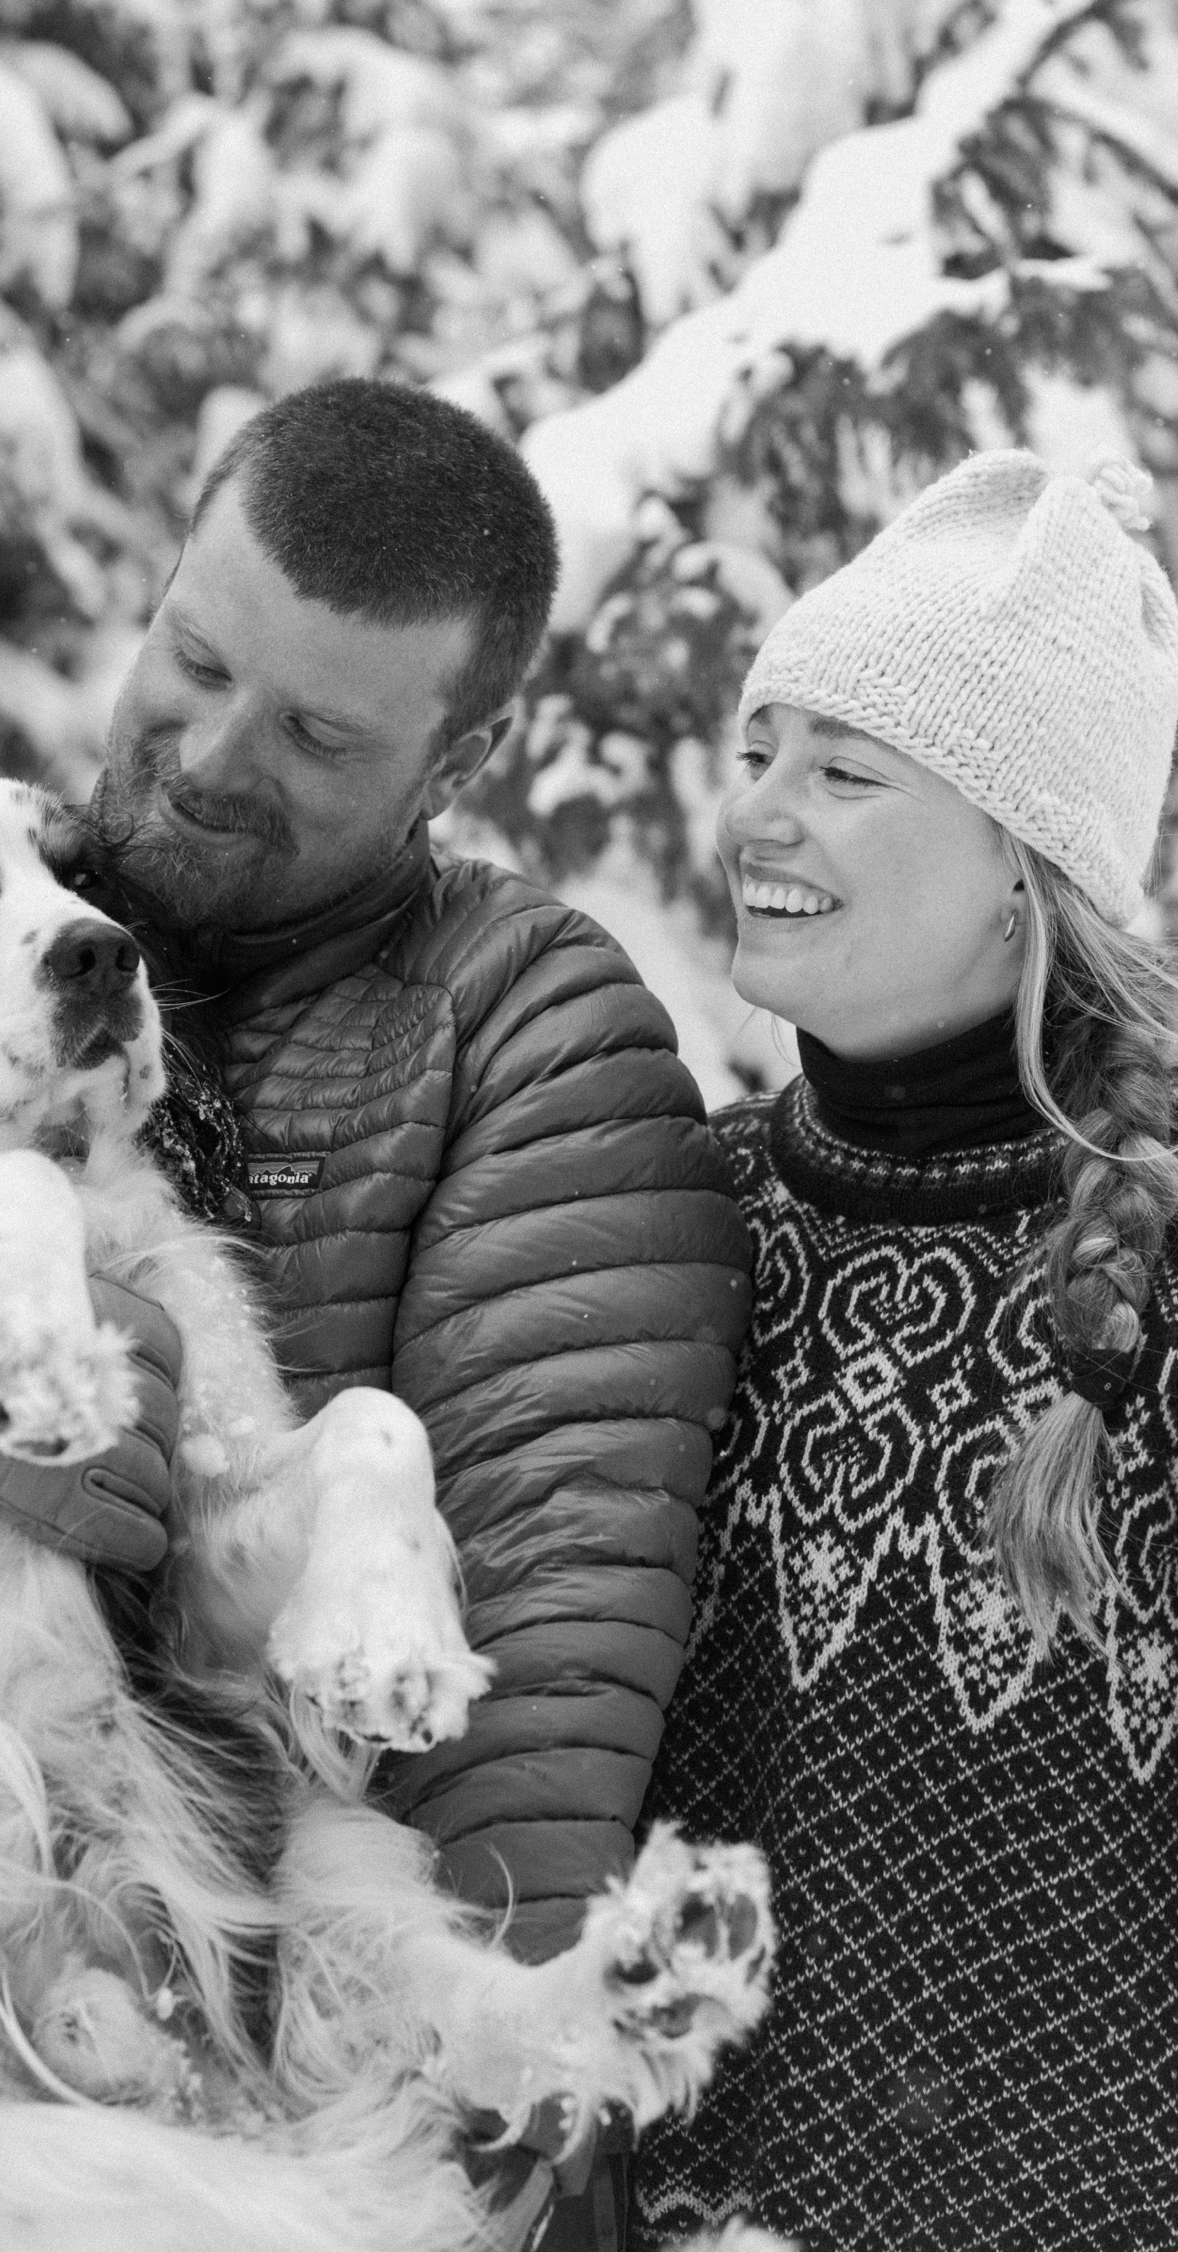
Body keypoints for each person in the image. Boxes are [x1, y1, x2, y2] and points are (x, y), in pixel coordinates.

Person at [0, 379, 751, 2252]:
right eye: (193, 657)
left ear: (461, 753)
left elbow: (554, 1646)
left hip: (218, 1905)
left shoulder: (521, 1033)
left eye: (317, 730)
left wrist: (505, 2100)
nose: (203, 753)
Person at [632, 449, 1178, 2250]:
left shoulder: (1153, 1290)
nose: (763, 816)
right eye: (760, 751)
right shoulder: (676, 1214)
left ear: (1033, 870)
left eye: (845, 773)